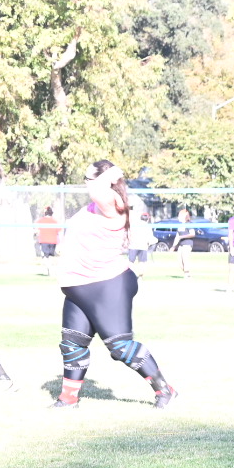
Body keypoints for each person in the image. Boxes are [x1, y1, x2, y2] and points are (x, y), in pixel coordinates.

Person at [52, 160, 177, 410]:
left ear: (104, 180)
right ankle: (68, 399)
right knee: (72, 343)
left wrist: (108, 175)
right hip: (77, 286)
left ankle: (166, 390)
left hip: (107, 285)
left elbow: (99, 191)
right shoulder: (92, 208)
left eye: (89, 178)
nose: (86, 182)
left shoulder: (114, 205)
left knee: (120, 347)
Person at [126, 201, 155, 272]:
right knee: (142, 262)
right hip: (143, 246)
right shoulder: (148, 227)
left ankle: (130, 274)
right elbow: (150, 237)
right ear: (147, 219)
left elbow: (129, 233)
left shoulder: (134, 224)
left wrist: (129, 241)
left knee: (131, 262)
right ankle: (140, 276)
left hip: (133, 245)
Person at [34, 206, 61, 276]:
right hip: (53, 241)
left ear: (45, 213)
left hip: (44, 241)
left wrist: (36, 236)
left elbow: (36, 230)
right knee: (51, 256)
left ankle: (50, 269)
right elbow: (59, 231)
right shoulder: (55, 221)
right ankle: (51, 270)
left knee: (45, 256)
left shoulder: (41, 221)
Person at [173, 209, 196, 276]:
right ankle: (187, 273)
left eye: (179, 216)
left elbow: (193, 234)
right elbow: (177, 236)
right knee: (179, 261)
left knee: (185, 259)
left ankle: (187, 275)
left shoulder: (189, 224)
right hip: (181, 245)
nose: (178, 217)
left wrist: (182, 237)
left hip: (187, 244)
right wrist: (173, 246)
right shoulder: (180, 226)